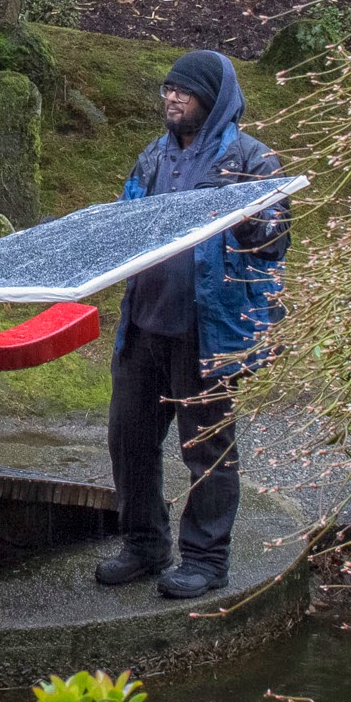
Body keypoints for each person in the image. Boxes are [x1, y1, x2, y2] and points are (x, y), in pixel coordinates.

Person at [96, 49, 288, 599]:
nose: (172, 98)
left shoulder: (251, 161)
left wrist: (247, 219)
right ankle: (144, 545)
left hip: (208, 333)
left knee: (205, 449)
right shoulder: (153, 159)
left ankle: (206, 561)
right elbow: (124, 224)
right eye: (168, 89)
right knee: (128, 439)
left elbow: (275, 242)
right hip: (144, 327)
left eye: (185, 90)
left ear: (215, 99)